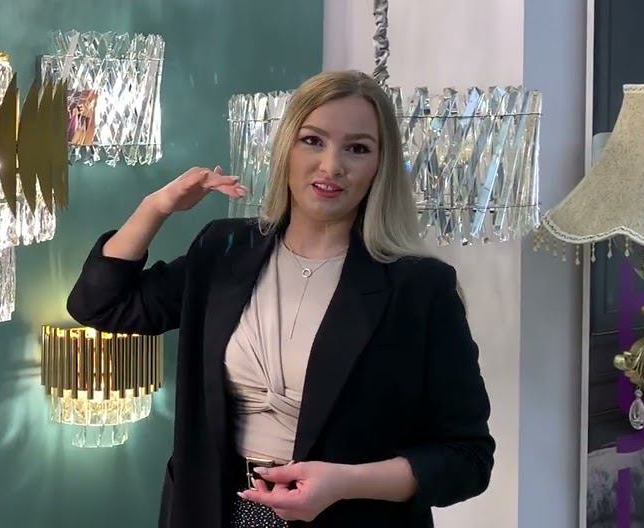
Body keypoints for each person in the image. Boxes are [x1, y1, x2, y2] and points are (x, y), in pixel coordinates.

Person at [67, 70, 494, 527]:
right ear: (286, 147)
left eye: (357, 148)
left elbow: (467, 458)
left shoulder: (420, 286)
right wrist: (156, 206)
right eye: (313, 140)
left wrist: (345, 483)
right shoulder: (224, 250)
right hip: (214, 512)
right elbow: (102, 305)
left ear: (380, 165)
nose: (331, 165)